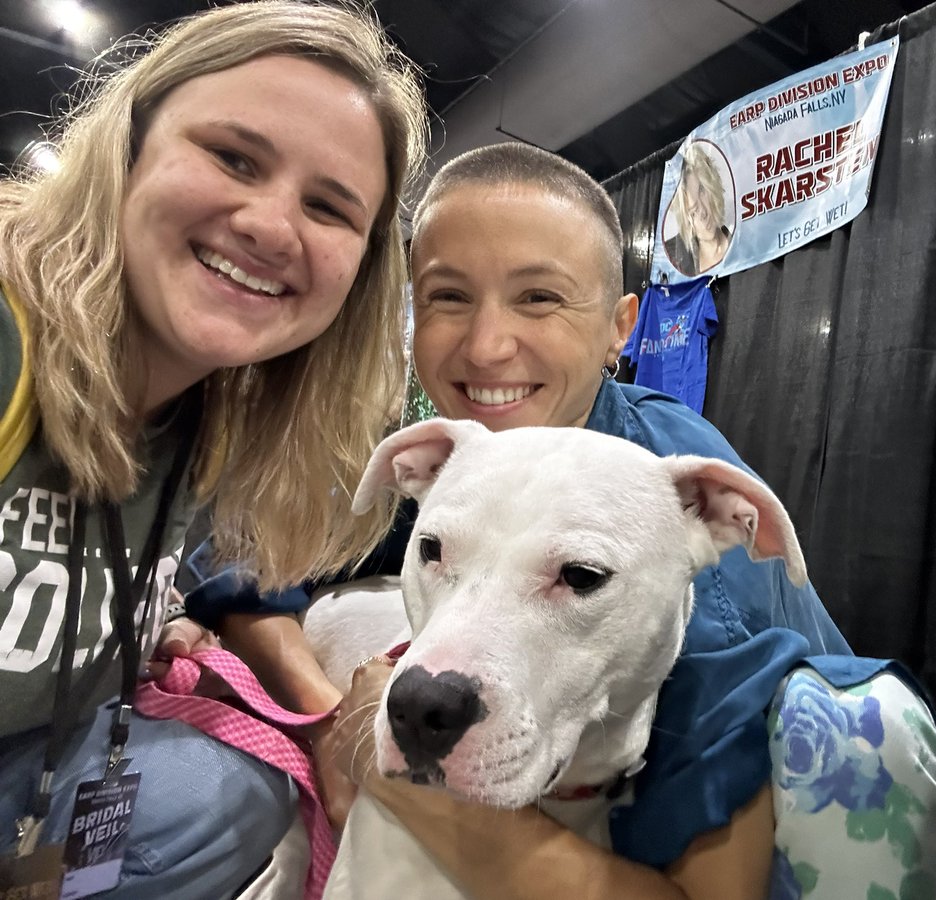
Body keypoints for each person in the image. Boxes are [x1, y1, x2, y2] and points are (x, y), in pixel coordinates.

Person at [187, 142, 855, 899]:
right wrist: (327, 717)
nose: (487, 345)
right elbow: (244, 551)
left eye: (539, 298)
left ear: (619, 327)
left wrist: (394, 780)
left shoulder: (666, 536)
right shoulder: (471, 453)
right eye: (447, 298)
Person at [0, 2, 427, 897]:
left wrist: (143, 628)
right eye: (233, 157)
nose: (273, 227)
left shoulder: (217, 417)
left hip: (42, 766)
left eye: (327, 206)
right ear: (128, 147)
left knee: (230, 789)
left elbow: (247, 571)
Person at [665, 141, 733, 277]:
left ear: (711, 186)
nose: (702, 213)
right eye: (692, 210)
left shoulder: (743, 243)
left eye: (701, 191)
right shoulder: (671, 259)